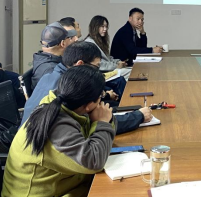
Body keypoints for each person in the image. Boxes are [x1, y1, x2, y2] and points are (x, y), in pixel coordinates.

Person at [2, 66, 116, 197]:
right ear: (88, 105)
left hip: (61, 195)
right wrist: (102, 123)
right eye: (100, 96)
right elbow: (94, 161)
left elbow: (92, 136)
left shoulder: (59, 104)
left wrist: (103, 120)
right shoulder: (56, 126)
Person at [21, 42, 151, 134]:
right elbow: (93, 122)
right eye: (96, 67)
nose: (97, 71)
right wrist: (138, 117)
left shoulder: (51, 75)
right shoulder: (70, 86)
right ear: (80, 64)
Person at [31, 22, 73, 89]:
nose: (73, 40)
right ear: (63, 43)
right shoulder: (52, 71)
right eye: (69, 38)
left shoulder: (43, 60)